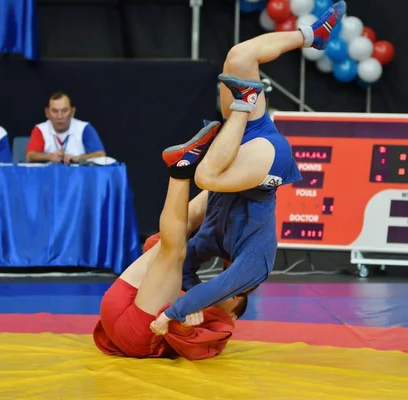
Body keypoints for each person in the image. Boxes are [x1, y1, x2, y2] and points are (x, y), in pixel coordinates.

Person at [149, 2, 347, 331]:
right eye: (223, 308)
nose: (215, 306)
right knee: (204, 176)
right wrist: (175, 313)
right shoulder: (257, 265)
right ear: (237, 306)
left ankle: (312, 35)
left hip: (240, 151)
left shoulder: (211, 242)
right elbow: (221, 286)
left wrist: (186, 290)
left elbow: (184, 262)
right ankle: (245, 102)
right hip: (266, 165)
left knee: (240, 56)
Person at [93, 121, 248, 360]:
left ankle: (181, 169)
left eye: (236, 294)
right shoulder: (194, 293)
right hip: (120, 306)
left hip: (136, 335)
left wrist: (184, 327)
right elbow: (154, 250)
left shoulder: (223, 327)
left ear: (235, 315)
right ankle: (224, 174)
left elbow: (194, 348)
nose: (229, 286)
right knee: (175, 237)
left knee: (174, 250)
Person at [25, 92, 106, 164]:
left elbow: (100, 155)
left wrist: (78, 158)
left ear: (72, 112)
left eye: (64, 111)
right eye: (54, 111)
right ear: (47, 113)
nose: (59, 116)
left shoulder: (84, 128)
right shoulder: (40, 129)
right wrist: (50, 156)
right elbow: (30, 156)